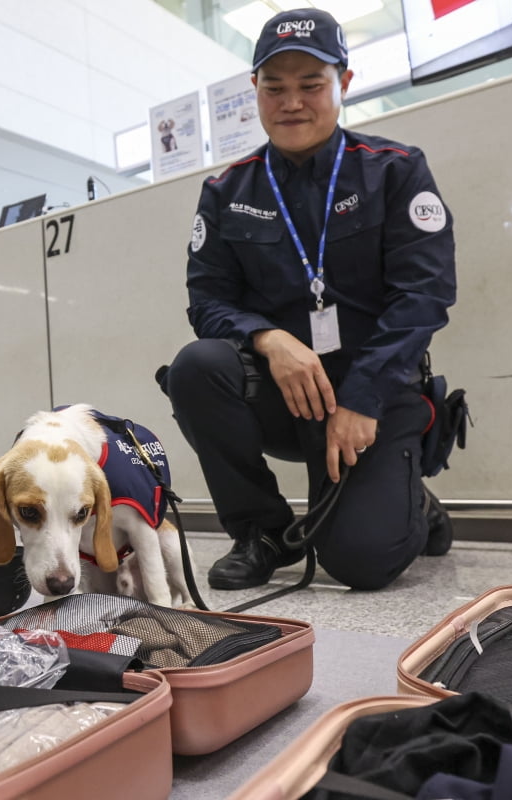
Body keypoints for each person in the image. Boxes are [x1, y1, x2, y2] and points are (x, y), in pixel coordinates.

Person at [159, 9, 456, 591]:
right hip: (287, 388)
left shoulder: (395, 172)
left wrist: (365, 394)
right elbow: (207, 299)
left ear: (343, 84)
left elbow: (424, 296)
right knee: (196, 368)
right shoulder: (227, 192)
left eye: (311, 85)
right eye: (275, 87)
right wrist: (269, 340)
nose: (291, 102)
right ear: (256, 92)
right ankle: (261, 532)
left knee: (361, 562)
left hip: (376, 389)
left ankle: (414, 501)